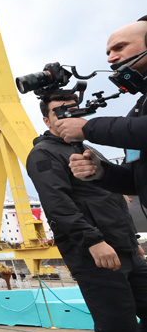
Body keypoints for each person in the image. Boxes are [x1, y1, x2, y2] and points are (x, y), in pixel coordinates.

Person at [27, 91, 147, 332]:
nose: (67, 115)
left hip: (126, 249)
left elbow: (113, 200)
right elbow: (57, 205)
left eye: (72, 109)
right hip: (96, 256)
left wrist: (132, 241)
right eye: (58, 111)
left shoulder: (90, 150)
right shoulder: (43, 154)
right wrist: (93, 241)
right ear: (46, 120)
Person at [57, 17, 147, 205]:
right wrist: (101, 172)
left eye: (120, 47)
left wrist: (88, 128)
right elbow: (136, 181)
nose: (110, 58)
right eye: (109, 52)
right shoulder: (139, 108)